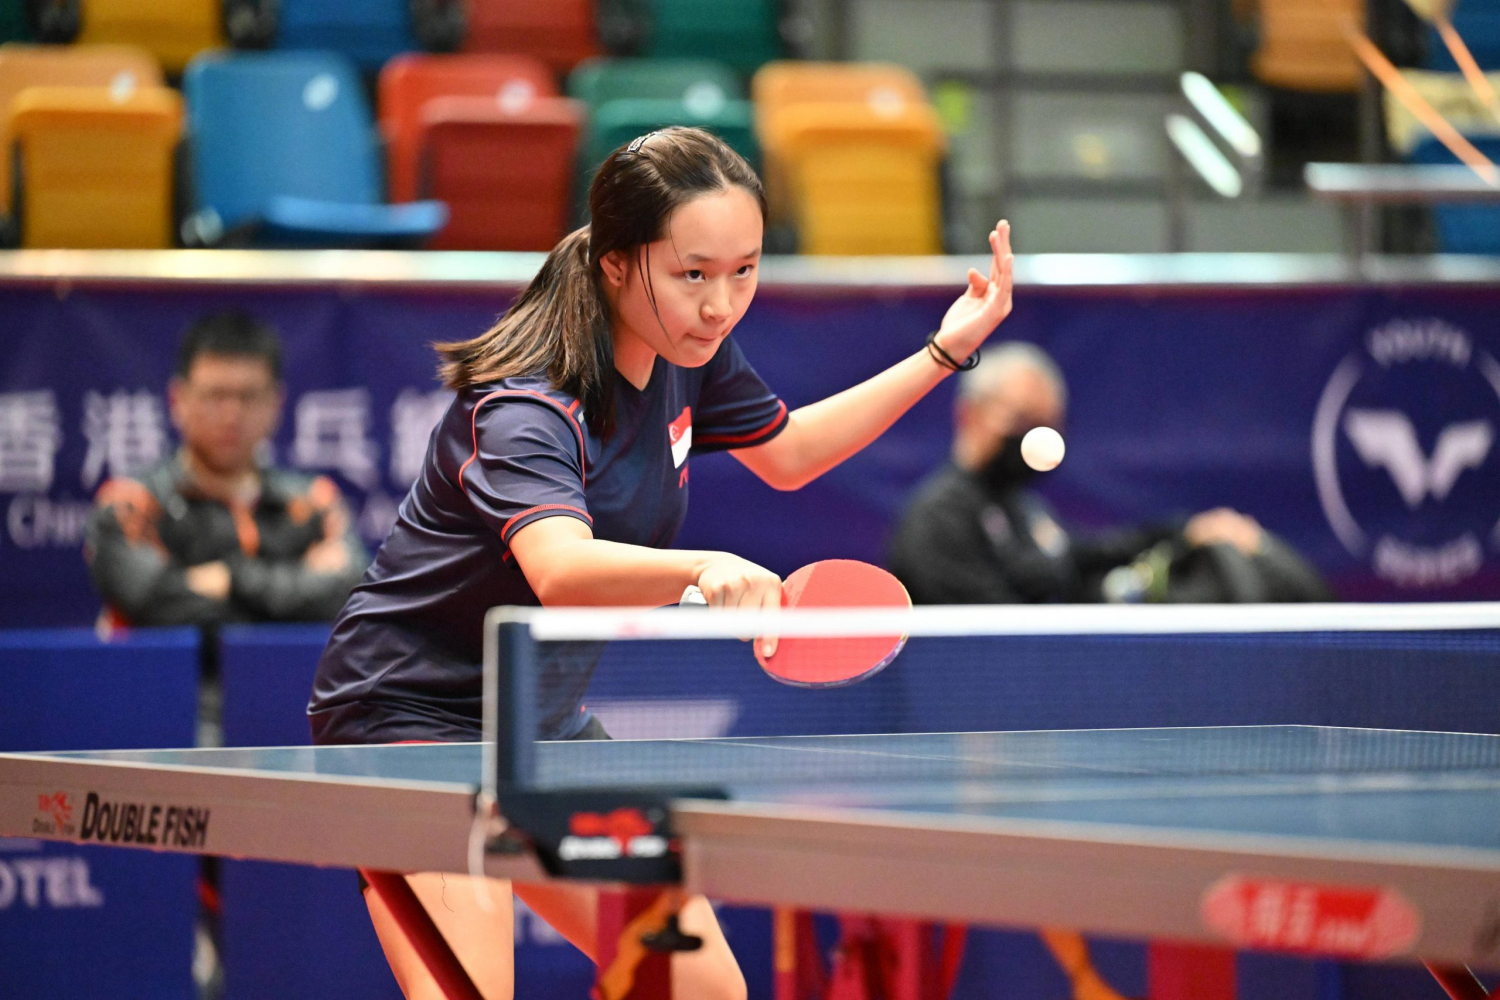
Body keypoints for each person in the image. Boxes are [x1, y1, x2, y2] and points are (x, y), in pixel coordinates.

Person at [307, 127, 1016, 1000]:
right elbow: (560, 571)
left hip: (539, 724)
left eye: (744, 270)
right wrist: (700, 567)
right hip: (412, 716)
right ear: (616, 262)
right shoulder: (529, 404)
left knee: (703, 988)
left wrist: (944, 350)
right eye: (693, 274)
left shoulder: (688, 356)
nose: (721, 305)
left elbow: (790, 453)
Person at [887, 342, 1330, 605]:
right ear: (969, 415)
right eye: (1020, 419)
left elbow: (1085, 555)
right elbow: (994, 640)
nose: (1031, 438)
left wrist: (1185, 534)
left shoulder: (1022, 507)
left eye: (1045, 424)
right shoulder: (939, 518)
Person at [85, 311, 368, 627]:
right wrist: (295, 590)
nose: (232, 414)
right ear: (178, 400)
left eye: (248, 397)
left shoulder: (313, 501)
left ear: (275, 403)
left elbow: (353, 592)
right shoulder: (132, 502)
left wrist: (230, 578)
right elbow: (150, 599)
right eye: (215, 396)